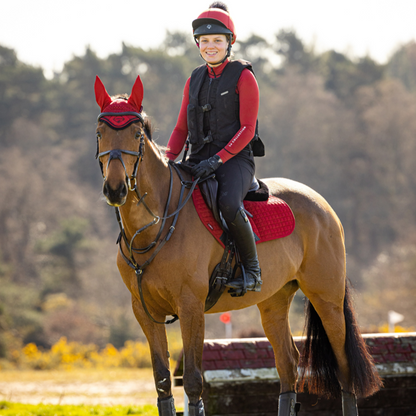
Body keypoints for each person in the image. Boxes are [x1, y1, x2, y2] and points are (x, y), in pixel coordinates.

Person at [166, 2, 262, 292]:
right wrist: (167, 158)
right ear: (198, 44)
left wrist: (219, 159)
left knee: (228, 204)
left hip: (235, 160)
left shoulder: (244, 77)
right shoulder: (193, 79)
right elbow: (181, 128)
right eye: (204, 41)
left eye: (217, 41)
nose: (210, 46)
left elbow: (247, 129)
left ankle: (252, 272)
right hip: (196, 158)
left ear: (229, 43)